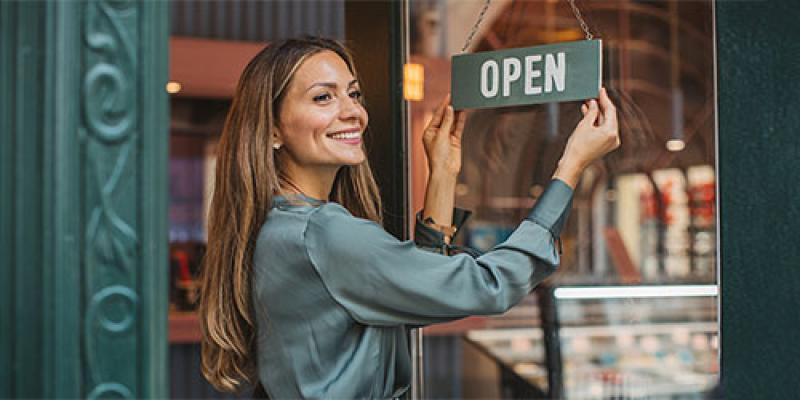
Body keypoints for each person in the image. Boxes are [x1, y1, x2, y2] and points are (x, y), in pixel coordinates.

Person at [199, 36, 619, 399]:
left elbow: (420, 289)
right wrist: (571, 167)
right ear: (272, 130)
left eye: (354, 94)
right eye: (324, 97)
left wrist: (442, 175)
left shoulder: (280, 226)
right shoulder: (323, 234)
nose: (353, 112)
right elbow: (489, 287)